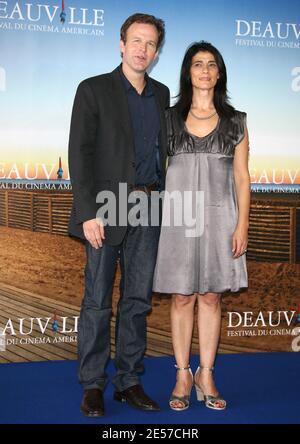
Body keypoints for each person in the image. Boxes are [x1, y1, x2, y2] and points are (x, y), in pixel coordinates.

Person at [68, 13, 170, 417]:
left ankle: (129, 381)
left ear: (156, 52)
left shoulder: (161, 95)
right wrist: (89, 212)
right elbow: (80, 154)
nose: (143, 49)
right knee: (96, 300)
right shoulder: (93, 89)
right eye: (136, 41)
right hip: (105, 209)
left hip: (148, 205)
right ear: (121, 44)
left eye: (150, 43)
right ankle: (92, 384)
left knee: (137, 301)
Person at [153, 41, 250, 411]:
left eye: (211, 64)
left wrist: (243, 224)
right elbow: (154, 171)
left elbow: (242, 178)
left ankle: (206, 372)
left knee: (211, 296)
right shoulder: (168, 119)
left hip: (220, 218)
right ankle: (182, 373)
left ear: (219, 72)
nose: (205, 70)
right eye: (197, 64)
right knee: (181, 296)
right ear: (188, 72)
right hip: (178, 220)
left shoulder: (237, 120)